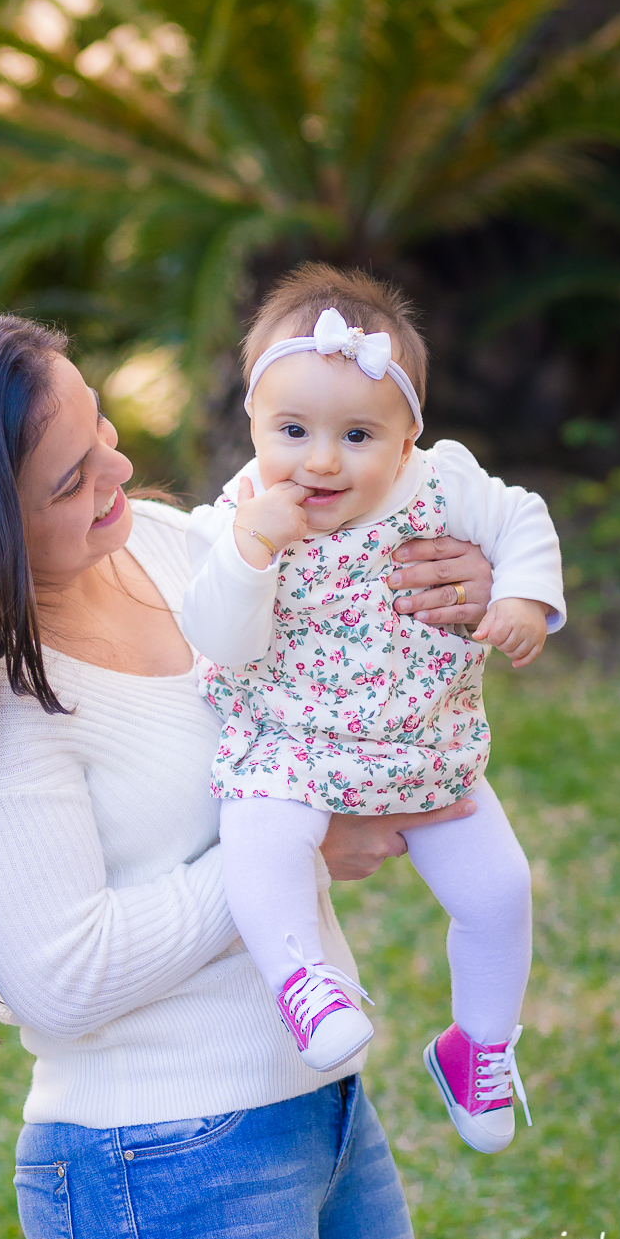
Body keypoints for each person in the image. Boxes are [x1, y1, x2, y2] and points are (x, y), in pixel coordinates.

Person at [0, 311, 500, 1239]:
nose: (120, 467)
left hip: (321, 1104)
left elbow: (356, 616)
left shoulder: (177, 548)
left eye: (100, 425)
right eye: (71, 480)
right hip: (166, 1159)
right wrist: (306, 846)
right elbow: (63, 978)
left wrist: (466, 581)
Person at [181, 265, 565, 1155]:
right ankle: (304, 985)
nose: (320, 460)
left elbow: (523, 518)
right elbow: (222, 639)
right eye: (292, 431)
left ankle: (479, 1046)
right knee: (261, 838)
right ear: (252, 421)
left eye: (356, 435)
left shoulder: (442, 484)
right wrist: (251, 553)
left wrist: (522, 595)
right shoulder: (233, 522)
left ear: (406, 439)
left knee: (500, 891)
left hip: (425, 746)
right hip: (289, 746)